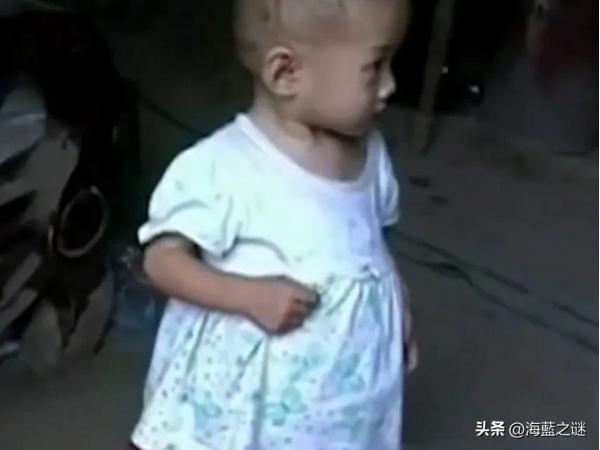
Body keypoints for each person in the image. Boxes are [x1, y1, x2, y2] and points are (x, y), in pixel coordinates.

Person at [129, 0, 417, 448]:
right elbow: (162, 262)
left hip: (342, 396)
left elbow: (372, 247)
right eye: (375, 66)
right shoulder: (225, 168)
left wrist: (399, 312)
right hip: (247, 406)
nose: (390, 85)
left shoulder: (371, 158)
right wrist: (249, 297)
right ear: (286, 73)